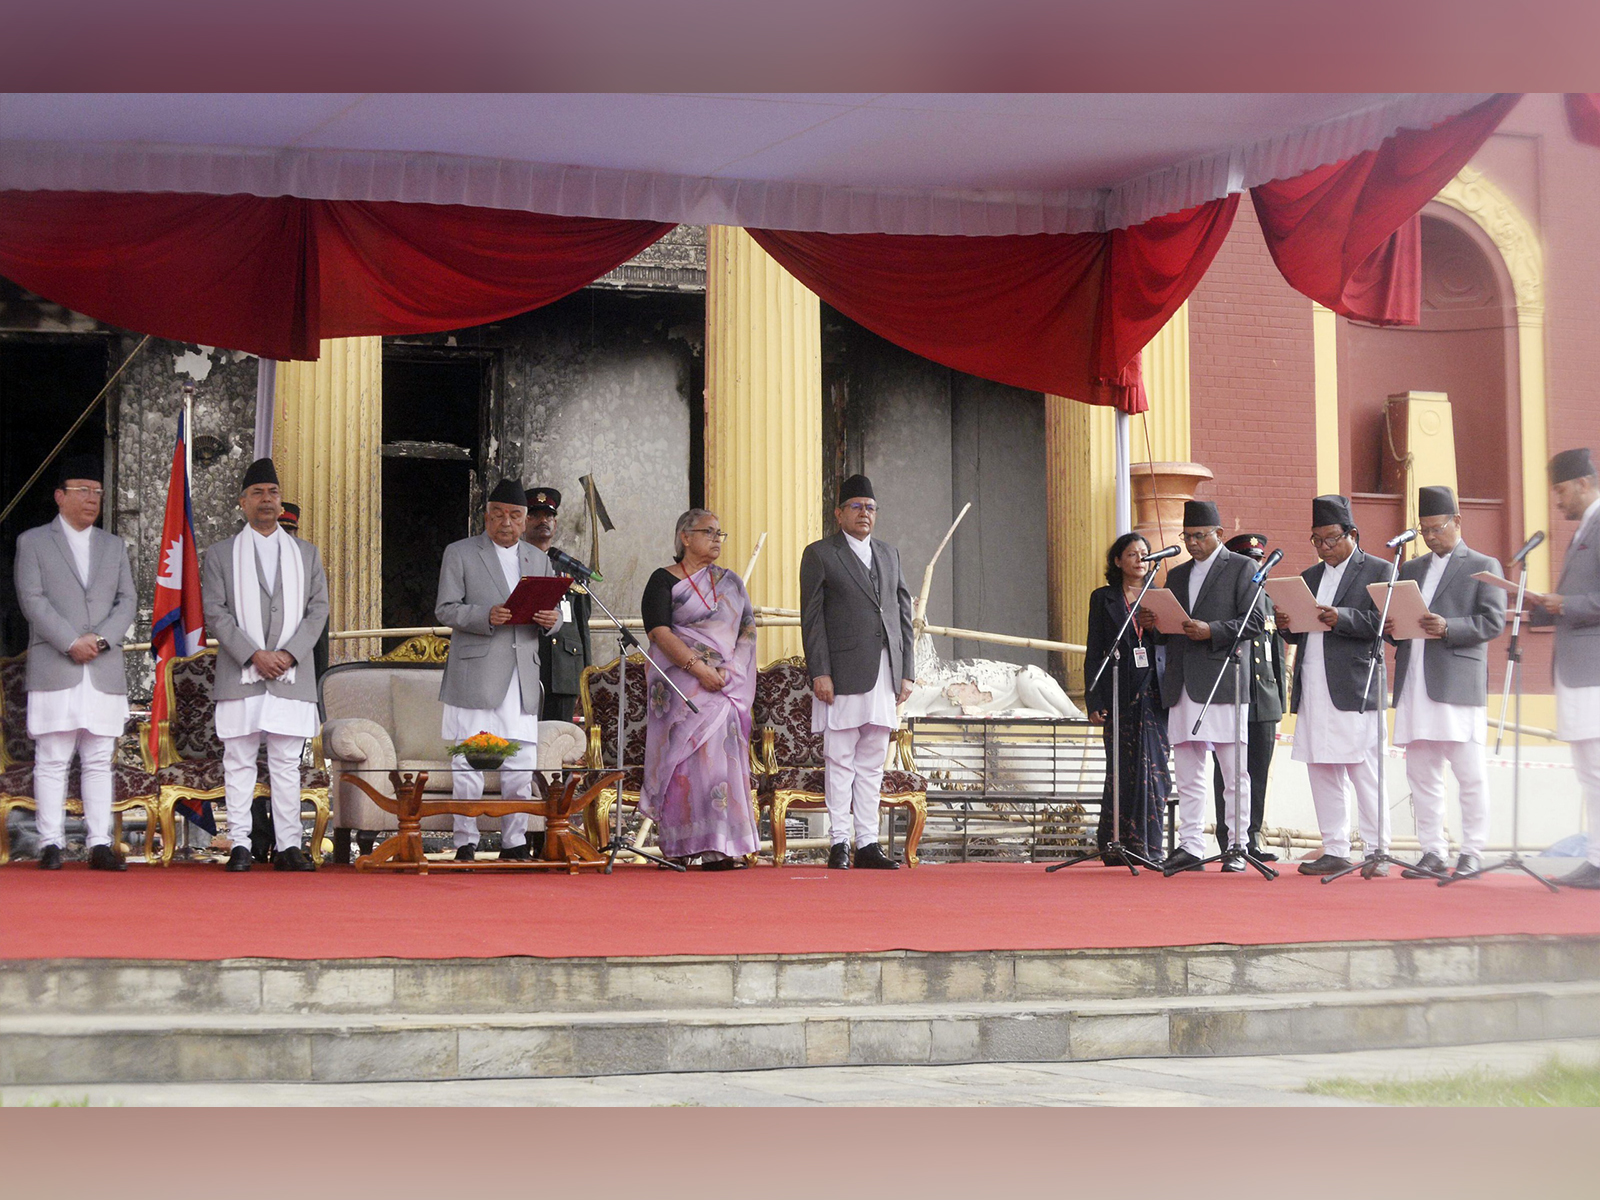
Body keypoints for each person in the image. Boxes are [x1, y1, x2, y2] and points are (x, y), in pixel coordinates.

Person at [200, 458, 330, 872]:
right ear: (242, 502)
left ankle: (289, 846)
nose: (266, 500)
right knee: (238, 760)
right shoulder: (221, 555)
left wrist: (288, 654)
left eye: (272, 493)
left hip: (292, 674)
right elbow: (215, 613)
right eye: (257, 493)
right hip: (241, 672)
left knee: (286, 763)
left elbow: (318, 610)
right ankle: (240, 843)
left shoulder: (306, 555)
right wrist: (254, 654)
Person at [12, 455, 137, 871]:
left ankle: (101, 843)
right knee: (53, 756)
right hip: (56, 662)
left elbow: (128, 601)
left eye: (97, 492)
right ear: (60, 496)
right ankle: (51, 843)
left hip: (101, 664)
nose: (92, 499)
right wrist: (70, 641)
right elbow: (32, 599)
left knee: (100, 757)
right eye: (83, 491)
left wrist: (99, 639)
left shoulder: (113, 545)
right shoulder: (33, 541)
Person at [434, 478, 563, 861]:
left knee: (521, 760)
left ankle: (514, 841)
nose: (506, 522)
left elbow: (556, 619)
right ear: (486, 517)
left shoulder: (539, 559)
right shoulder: (460, 552)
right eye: (498, 514)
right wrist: (484, 615)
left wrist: (549, 619)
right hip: (477, 671)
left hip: (521, 673)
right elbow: (445, 609)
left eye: (514, 515)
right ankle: (465, 841)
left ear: (525, 522)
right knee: (471, 757)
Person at [1138, 500, 1265, 873]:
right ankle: (1191, 845)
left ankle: (1237, 846)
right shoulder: (1176, 576)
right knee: (1189, 773)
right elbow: (1168, 630)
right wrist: (1155, 621)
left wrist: (1213, 631)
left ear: (1219, 534)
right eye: (1187, 536)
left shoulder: (1243, 567)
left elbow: (1255, 620)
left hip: (1223, 681)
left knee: (1233, 772)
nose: (1192, 543)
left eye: (1199, 536)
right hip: (1181, 683)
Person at [1387, 486, 1505, 880]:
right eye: (1424, 530)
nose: (1431, 536)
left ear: (1457, 522)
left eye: (1437, 528)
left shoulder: (1483, 565)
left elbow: (1492, 622)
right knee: (1421, 772)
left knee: (1469, 774)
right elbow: (1401, 622)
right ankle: (1432, 850)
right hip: (1415, 681)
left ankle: (1471, 851)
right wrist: (1391, 627)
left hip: (1456, 683)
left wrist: (1448, 627)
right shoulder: (1411, 570)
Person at [799, 475, 917, 870]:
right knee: (840, 757)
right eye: (856, 506)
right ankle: (839, 842)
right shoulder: (820, 554)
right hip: (842, 670)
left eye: (870, 507)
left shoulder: (889, 554)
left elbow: (903, 616)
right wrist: (820, 671)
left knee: (872, 760)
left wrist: (907, 672)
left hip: (885, 671)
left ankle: (867, 841)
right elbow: (812, 619)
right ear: (839, 513)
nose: (864, 513)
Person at [639, 508, 760, 869]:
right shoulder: (662, 580)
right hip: (680, 686)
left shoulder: (731, 582)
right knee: (685, 765)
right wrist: (698, 669)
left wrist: (730, 671)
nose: (716, 539)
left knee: (720, 765)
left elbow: (748, 631)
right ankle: (682, 846)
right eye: (709, 532)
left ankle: (722, 845)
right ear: (685, 537)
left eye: (720, 533)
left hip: (726, 685)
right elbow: (659, 633)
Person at [1285, 494, 1394, 877]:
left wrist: (1341, 618)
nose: (1324, 548)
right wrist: (1288, 620)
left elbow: (1387, 626)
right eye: (1316, 540)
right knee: (1321, 766)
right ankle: (1334, 847)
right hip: (1314, 683)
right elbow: (1300, 632)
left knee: (1363, 769)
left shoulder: (1379, 570)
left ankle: (1378, 849)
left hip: (1355, 685)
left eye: (1330, 539)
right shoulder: (1310, 577)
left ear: (1353, 534)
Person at [1527, 448, 1600, 889]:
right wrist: (1539, 609)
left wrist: (1564, 604)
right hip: (1578, 670)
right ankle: (1596, 856)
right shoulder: (1584, 528)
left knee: (1597, 768)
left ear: (1584, 483)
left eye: (1559, 490)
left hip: (1594, 671)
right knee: (1588, 770)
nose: (1556, 500)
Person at [1085, 532, 1170, 864]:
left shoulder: (1160, 596)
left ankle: (1150, 846)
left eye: (1145, 554)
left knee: (1155, 770)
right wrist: (1094, 700)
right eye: (1132, 554)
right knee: (1121, 769)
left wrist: (1154, 627)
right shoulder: (1103, 598)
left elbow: (1171, 641)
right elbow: (1095, 652)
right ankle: (1115, 845)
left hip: (1155, 693)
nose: (1140, 559)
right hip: (1119, 693)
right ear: (1118, 560)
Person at [1212, 533, 1287, 862]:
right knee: (1229, 772)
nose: (1257, 567)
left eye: (1259, 561)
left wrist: (1279, 700)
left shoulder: (1269, 602)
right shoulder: (1226, 602)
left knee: (1258, 769)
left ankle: (1253, 836)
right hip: (1234, 694)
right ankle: (1229, 837)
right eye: (1250, 562)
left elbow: (1277, 654)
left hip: (1264, 697)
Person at [524, 486, 592, 723]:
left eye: (549, 516)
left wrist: (587, 677)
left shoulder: (571, 568)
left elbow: (583, 625)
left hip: (565, 670)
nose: (544, 521)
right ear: (523, 520)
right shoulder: (515, 561)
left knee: (558, 744)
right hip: (529, 666)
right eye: (535, 515)